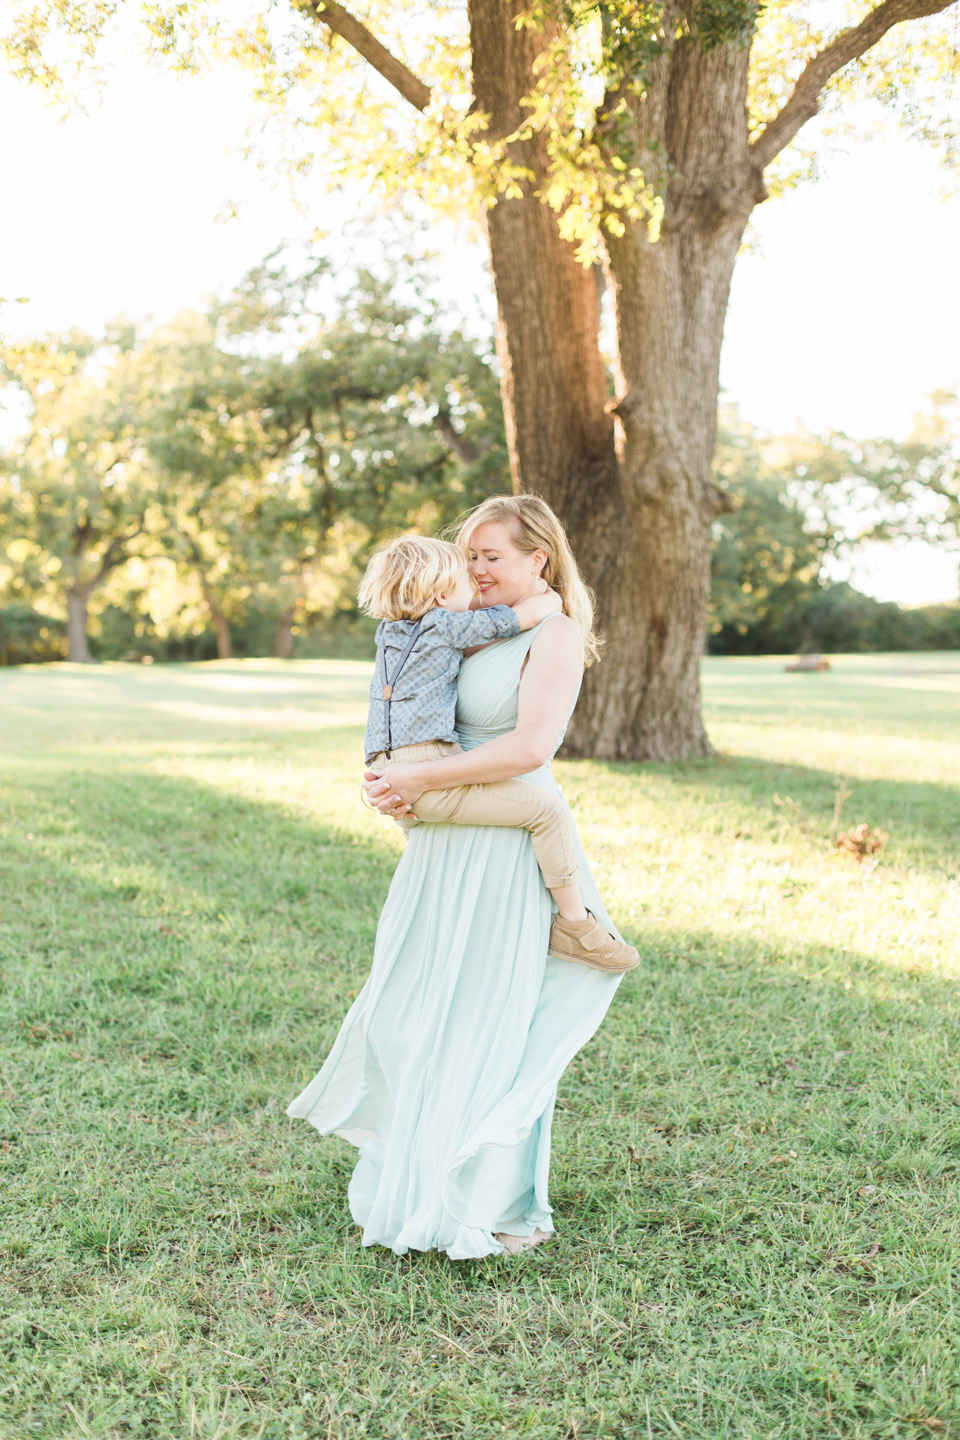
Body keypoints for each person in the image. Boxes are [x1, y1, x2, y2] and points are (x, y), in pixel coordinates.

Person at [286, 494, 633, 1258]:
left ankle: (487, 1200)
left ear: (538, 559)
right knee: (416, 1016)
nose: (474, 568)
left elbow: (531, 748)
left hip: (505, 848)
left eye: (490, 556)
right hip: (440, 848)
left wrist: (417, 781)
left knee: (487, 1022)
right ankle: (413, 1183)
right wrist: (389, 782)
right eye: (469, 554)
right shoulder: (455, 622)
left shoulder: (554, 633)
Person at [358, 532, 639, 973]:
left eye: (489, 558)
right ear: (441, 596)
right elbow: (512, 619)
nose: (475, 578)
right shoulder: (445, 626)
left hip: (384, 764)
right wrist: (549, 600)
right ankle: (574, 925)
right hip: (424, 767)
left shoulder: (388, 632)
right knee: (548, 811)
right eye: (468, 568)